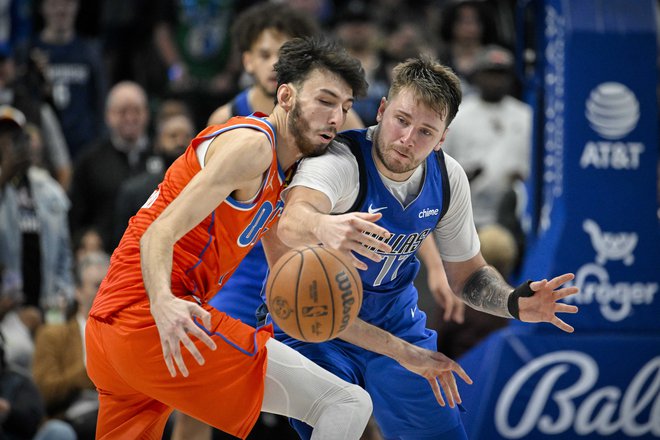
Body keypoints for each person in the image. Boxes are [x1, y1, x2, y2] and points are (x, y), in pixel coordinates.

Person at [273, 56, 579, 439]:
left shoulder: (448, 178)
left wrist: (514, 302)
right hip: (321, 318)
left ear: (442, 138)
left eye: (425, 132)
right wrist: (323, 224)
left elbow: (469, 277)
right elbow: (292, 219)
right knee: (346, 416)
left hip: (395, 322)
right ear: (382, 110)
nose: (407, 139)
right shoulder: (341, 160)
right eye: (401, 120)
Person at [85, 37, 375, 440]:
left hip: (108, 333)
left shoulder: (282, 176)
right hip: (152, 317)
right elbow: (158, 233)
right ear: (286, 96)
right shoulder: (253, 146)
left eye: (344, 108)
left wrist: (395, 347)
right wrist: (164, 305)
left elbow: (286, 276)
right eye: (325, 101)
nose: (335, 118)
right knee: (346, 403)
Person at [0, 105, 74, 329]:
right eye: (2, 138)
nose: (8, 144)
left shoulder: (49, 191)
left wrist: (62, 300)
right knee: (18, 352)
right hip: (7, 312)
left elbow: (64, 259)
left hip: (47, 309)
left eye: (14, 138)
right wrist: (3, 176)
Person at [32, 250, 110, 440]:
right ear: (77, 291)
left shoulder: (126, 333)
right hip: (71, 414)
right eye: (97, 285)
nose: (105, 291)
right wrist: (89, 371)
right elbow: (45, 392)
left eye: (110, 284)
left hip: (115, 409)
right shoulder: (53, 335)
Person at [68, 81, 154, 253]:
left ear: (147, 114)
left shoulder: (161, 156)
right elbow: (75, 217)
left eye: (136, 110)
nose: (130, 117)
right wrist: (84, 236)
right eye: (122, 112)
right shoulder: (90, 160)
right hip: (105, 255)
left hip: (154, 250)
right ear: (108, 116)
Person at [32, 0, 107, 160]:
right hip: (45, 148)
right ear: (42, 8)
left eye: (66, 3)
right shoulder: (30, 52)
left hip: (84, 146)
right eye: (54, 4)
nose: (61, 10)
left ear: (76, 6)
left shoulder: (90, 53)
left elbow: (100, 100)